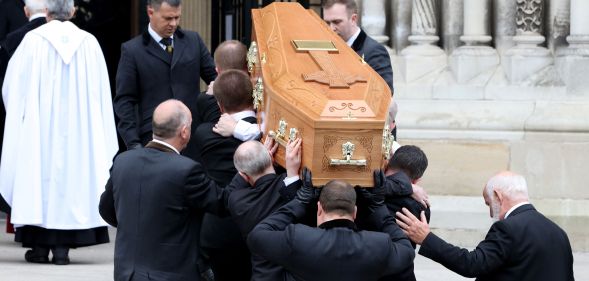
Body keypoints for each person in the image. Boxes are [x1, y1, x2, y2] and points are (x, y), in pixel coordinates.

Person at [0, 0, 118, 265]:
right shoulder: (89, 43)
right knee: (73, 180)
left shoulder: (32, 41)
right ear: (73, 12)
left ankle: (39, 247)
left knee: (37, 179)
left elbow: (11, 88)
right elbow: (101, 92)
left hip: (38, 130)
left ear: (47, 12)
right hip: (79, 131)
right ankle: (63, 249)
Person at [99, 99, 230, 281]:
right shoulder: (186, 170)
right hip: (171, 273)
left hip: (126, 273)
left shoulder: (122, 162)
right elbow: (223, 203)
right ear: (184, 132)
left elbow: (106, 210)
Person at [396, 171, 575, 281]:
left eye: (488, 203)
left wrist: (426, 238)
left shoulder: (508, 228)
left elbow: (472, 264)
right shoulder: (558, 232)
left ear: (498, 196)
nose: (490, 213)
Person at [247, 169, 415, 281]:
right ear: (355, 212)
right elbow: (407, 252)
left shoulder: (298, 238)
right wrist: (379, 207)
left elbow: (257, 235)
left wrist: (300, 201)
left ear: (319, 208)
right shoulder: (379, 244)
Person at [114, 0, 217, 160]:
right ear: (150, 12)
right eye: (168, 18)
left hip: (192, 139)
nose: (174, 24)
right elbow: (124, 101)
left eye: (177, 17)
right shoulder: (132, 51)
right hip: (153, 141)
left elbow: (217, 81)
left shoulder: (193, 41)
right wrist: (133, 144)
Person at [196, 69, 259, 281]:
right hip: (258, 228)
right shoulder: (268, 135)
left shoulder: (205, 133)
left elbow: (206, 105)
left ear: (220, 105)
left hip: (217, 230)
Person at [227, 138, 301, 280]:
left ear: (243, 175)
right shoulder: (290, 185)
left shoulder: (236, 201)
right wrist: (291, 172)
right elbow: (295, 202)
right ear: (270, 157)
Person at [379, 145, 430, 281]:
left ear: (387, 164)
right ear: (416, 180)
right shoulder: (422, 206)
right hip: (401, 272)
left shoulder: (370, 191)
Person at [322, 0, 393, 92]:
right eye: (327, 23)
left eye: (337, 22)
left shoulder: (374, 51)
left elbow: (385, 93)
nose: (331, 28)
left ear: (353, 19)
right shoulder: (325, 47)